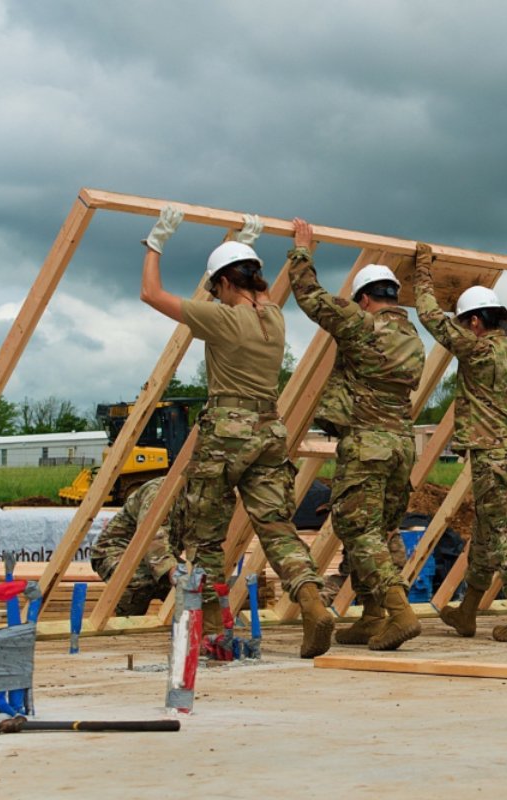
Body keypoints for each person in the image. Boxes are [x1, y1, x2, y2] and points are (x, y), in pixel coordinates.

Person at [138, 206, 333, 658]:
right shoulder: (275, 317)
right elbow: (253, 288)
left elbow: (151, 293)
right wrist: (248, 245)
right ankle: (311, 601)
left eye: (216, 287)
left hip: (227, 430)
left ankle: (209, 624)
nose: (215, 294)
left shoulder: (224, 319)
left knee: (205, 534)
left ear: (224, 282)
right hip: (269, 429)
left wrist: (154, 243)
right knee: (277, 527)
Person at [288, 219, 426, 650]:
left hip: (367, 444)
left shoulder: (363, 324)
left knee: (358, 529)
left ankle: (399, 613)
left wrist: (302, 252)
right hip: (403, 446)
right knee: (379, 531)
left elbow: (310, 297)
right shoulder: (413, 337)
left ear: (365, 299)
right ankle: (371, 615)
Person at [413, 243, 507, 642]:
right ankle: (467, 612)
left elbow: (431, 317)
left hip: (494, 456)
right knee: (485, 536)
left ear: (472, 323)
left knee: (500, 535)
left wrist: (422, 272)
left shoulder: (478, 348)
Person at [90, 477, 179, 616]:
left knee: (197, 586)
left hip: (160, 556)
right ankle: (123, 625)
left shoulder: (205, 498)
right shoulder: (159, 492)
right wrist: (174, 572)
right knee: (140, 581)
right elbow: (152, 538)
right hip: (117, 550)